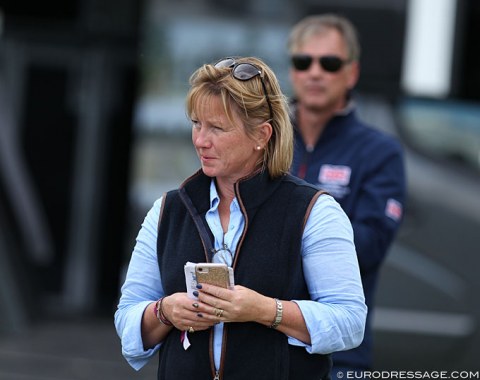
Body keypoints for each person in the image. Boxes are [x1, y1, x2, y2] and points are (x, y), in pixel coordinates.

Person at [114, 56, 367, 380]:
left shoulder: (315, 211)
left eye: (217, 128)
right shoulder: (167, 210)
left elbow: (349, 323)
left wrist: (263, 310)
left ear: (262, 135)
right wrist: (165, 311)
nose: (200, 140)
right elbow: (127, 321)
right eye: (196, 123)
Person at [287, 14, 407, 377]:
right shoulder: (263, 142)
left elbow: (367, 248)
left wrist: (280, 240)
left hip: (339, 355)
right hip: (261, 348)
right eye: (303, 61)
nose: (315, 72)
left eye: (330, 62)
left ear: (351, 74)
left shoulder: (380, 152)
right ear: (292, 70)